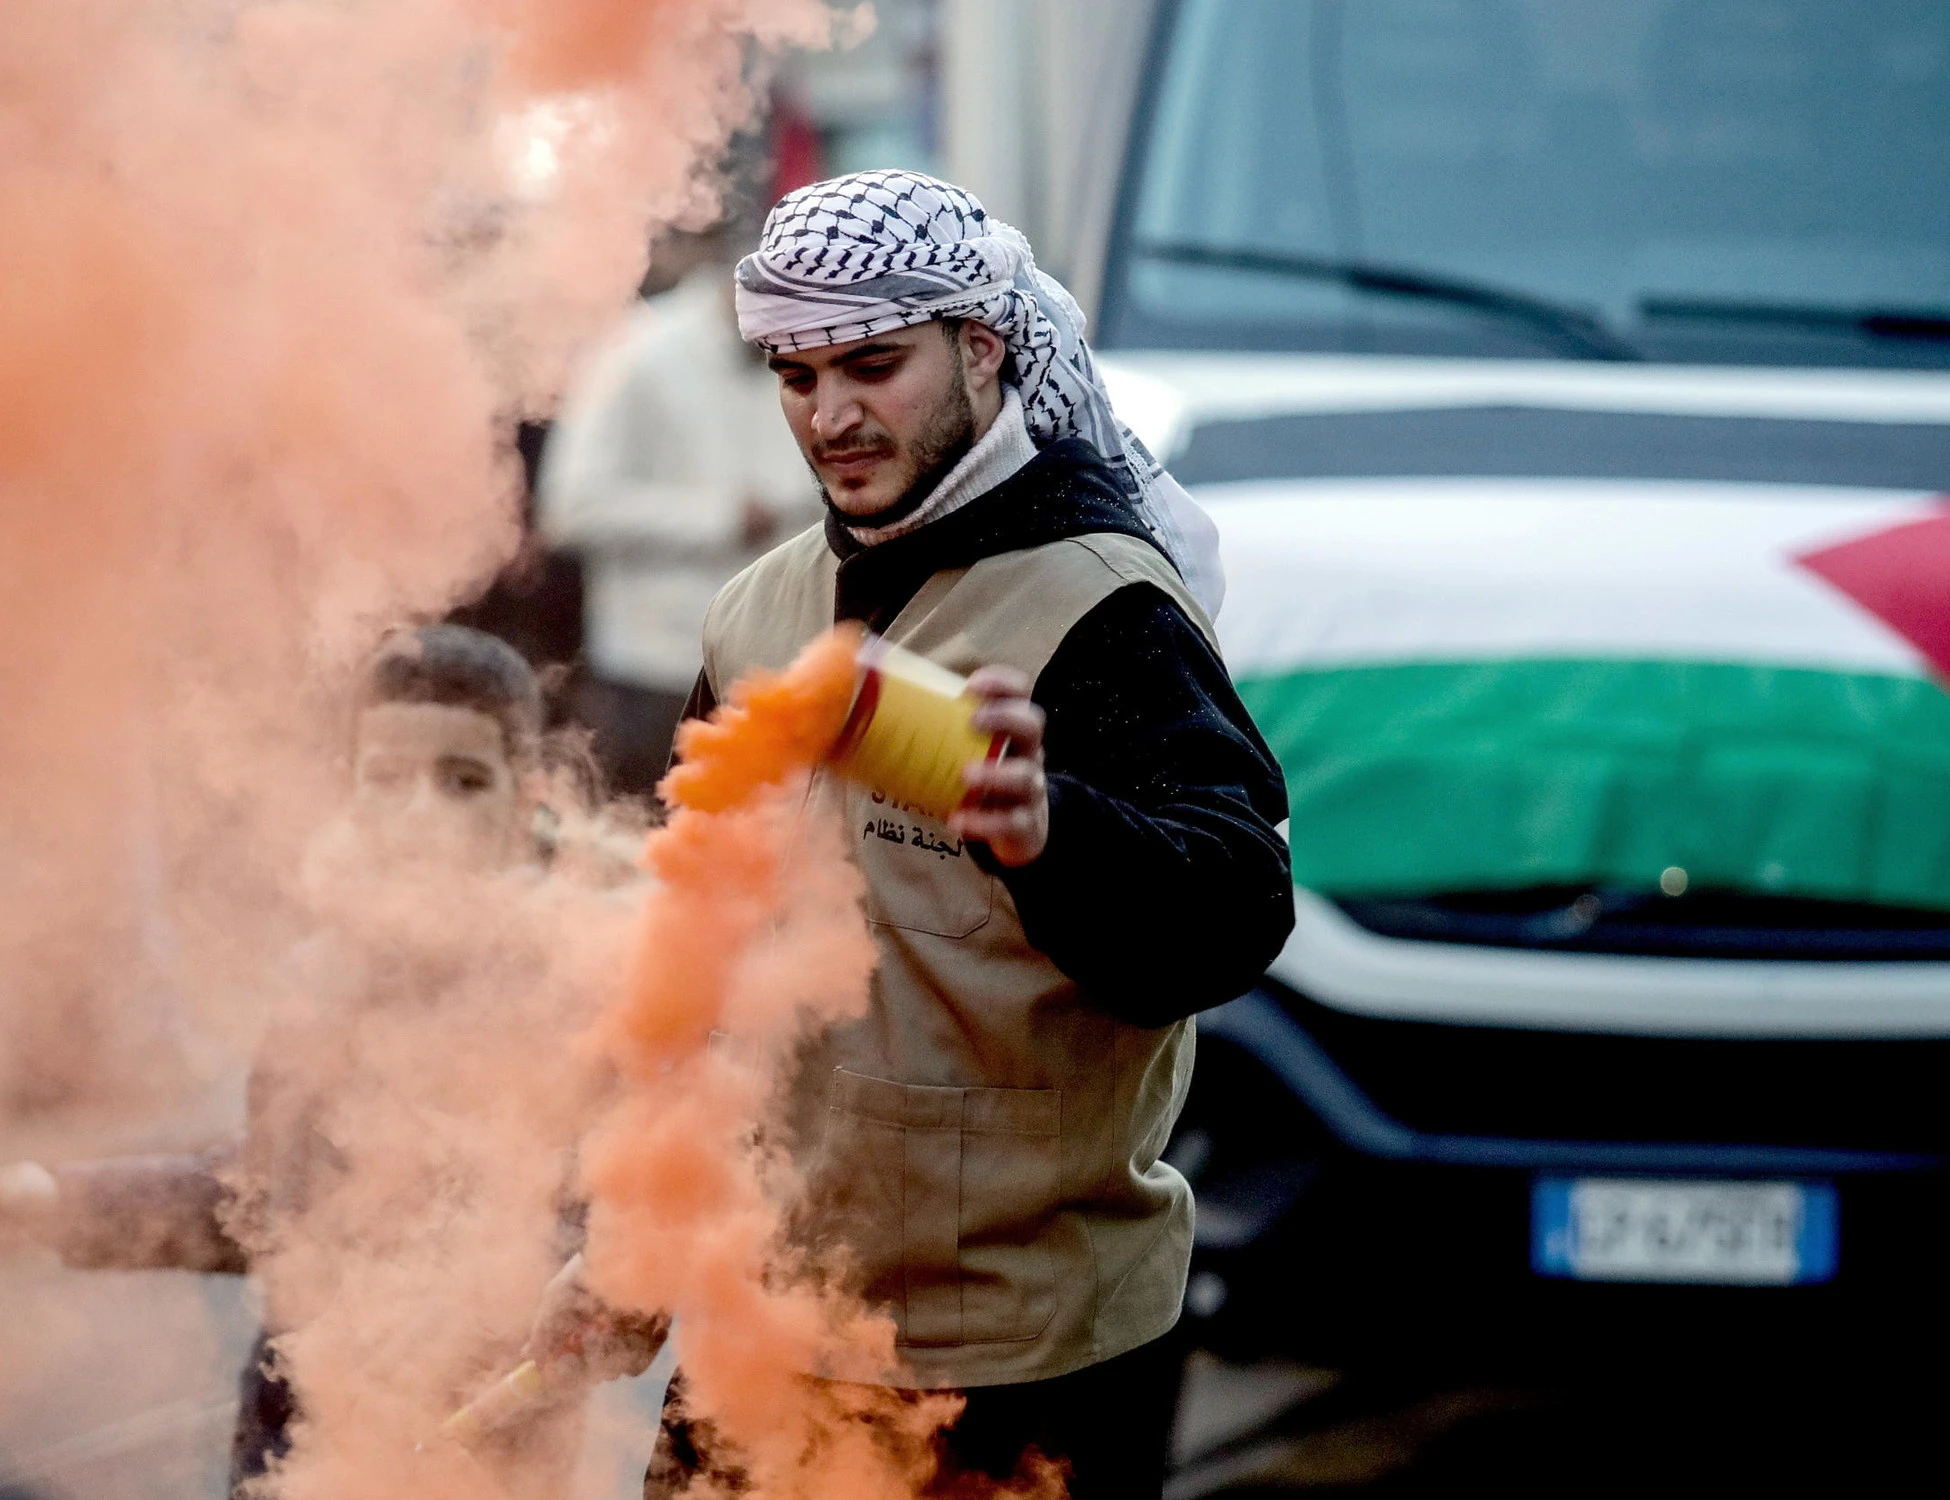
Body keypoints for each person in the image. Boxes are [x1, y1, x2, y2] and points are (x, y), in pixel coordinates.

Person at [652, 171, 1295, 1500]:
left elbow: (1235, 912)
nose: (828, 415)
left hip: (1013, 1357)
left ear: (980, 349)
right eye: (795, 374)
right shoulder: (755, 615)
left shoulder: (1101, 607)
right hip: (761, 1326)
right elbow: (687, 954)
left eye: (873, 366)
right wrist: (627, 1233)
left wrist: (1051, 832)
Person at [0, 625, 616, 1498]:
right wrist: (53, 1200)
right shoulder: (318, 977)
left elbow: (601, 1256)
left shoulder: (583, 994)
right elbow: (267, 1202)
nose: (420, 815)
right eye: (388, 780)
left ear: (531, 797)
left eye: (464, 781)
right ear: (350, 792)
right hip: (289, 1438)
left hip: (473, 1456)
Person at [537, 238, 822, 796]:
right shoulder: (636, 349)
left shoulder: (806, 348)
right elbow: (569, 507)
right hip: (655, 673)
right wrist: (720, 518)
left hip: (778, 674)